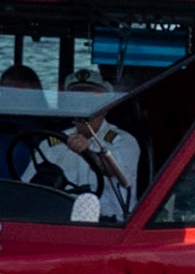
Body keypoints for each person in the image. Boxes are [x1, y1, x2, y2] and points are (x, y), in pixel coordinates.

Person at [25, 69, 143, 221]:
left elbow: (115, 171)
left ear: (105, 106)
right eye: (77, 99)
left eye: (91, 99)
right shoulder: (49, 146)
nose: (83, 105)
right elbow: (28, 189)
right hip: (58, 222)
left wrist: (87, 152)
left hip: (109, 225)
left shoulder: (124, 141)